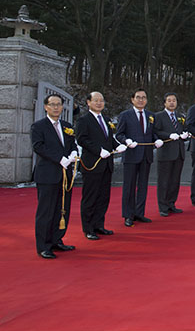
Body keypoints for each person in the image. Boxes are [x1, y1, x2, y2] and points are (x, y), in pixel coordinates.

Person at [30, 94, 78, 259]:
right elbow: (38, 147)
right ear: (45, 107)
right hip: (47, 175)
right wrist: (59, 159)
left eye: (59, 104)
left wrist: (73, 153)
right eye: (52, 104)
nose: (56, 107)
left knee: (62, 209)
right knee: (46, 211)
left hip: (65, 175)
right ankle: (43, 246)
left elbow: (72, 144)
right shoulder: (38, 126)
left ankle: (57, 240)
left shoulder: (67, 126)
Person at [75, 92, 124, 240]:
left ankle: (99, 225)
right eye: (95, 100)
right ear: (88, 102)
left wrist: (119, 145)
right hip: (92, 164)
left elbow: (109, 139)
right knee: (90, 197)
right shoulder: (84, 120)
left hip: (106, 164)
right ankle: (88, 228)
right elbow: (82, 139)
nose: (99, 103)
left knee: (103, 197)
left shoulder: (106, 119)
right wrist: (98, 150)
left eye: (101, 100)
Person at [115, 88, 161, 227]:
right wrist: (127, 141)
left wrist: (157, 140)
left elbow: (153, 133)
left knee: (143, 186)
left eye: (144, 97)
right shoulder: (125, 115)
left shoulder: (151, 115)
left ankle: (139, 213)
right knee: (129, 186)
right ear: (132, 99)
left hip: (146, 155)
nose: (141, 100)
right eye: (138, 97)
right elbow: (119, 134)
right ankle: (128, 215)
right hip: (131, 155)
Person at [154, 92, 189, 216]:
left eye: (174, 100)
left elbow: (184, 130)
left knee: (175, 180)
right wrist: (168, 135)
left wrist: (185, 135)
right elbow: (156, 131)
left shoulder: (180, 116)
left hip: (179, 153)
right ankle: (163, 206)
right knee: (164, 181)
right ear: (164, 103)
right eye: (169, 100)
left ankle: (171, 203)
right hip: (165, 153)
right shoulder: (158, 116)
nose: (172, 102)